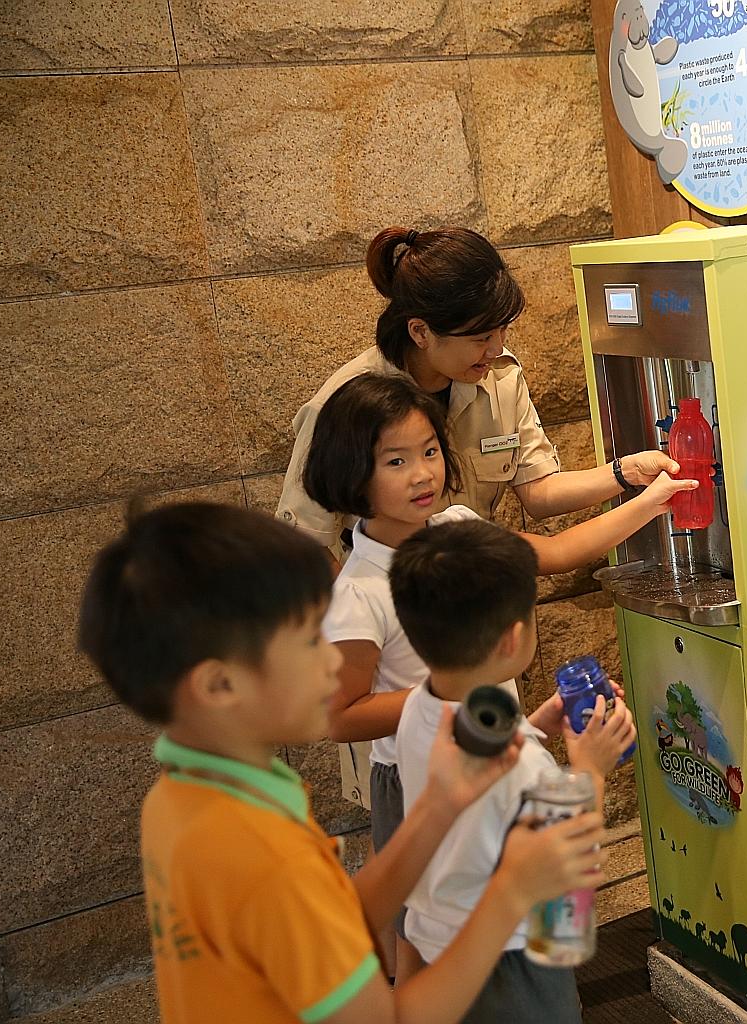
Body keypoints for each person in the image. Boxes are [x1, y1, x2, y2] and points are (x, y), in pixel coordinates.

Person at [75, 502, 607, 1024]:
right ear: (220, 685)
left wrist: (438, 807)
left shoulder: (183, 797)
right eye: (312, 640)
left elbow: (334, 914)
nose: (335, 659)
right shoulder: (263, 853)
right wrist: (510, 894)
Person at [302, 372, 688, 977]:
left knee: (446, 926)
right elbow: (566, 892)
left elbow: (552, 553)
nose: (423, 474)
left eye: (430, 451)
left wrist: (648, 501)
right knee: (460, 926)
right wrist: (582, 767)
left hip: (478, 751)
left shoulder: (457, 529)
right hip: (424, 781)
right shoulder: (360, 593)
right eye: (396, 461)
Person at [278, 225, 679, 559]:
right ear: (420, 332)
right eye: (481, 337)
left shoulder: (498, 379)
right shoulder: (346, 405)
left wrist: (626, 473)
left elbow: (542, 504)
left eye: (502, 331)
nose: (495, 349)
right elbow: (306, 545)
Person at [388, 520, 637, 1024]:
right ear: (513, 638)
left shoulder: (420, 707)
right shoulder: (522, 766)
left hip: (440, 946)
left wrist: (532, 726)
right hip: (513, 962)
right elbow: (567, 884)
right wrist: (590, 770)